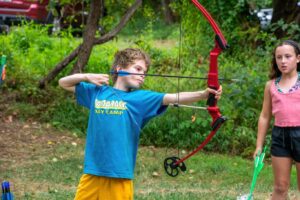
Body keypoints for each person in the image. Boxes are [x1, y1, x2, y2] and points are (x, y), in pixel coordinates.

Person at [58, 48, 222, 200]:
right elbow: (63, 82)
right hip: (93, 171)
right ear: (119, 68)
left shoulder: (141, 99)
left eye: (144, 72)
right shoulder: (97, 92)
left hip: (119, 174)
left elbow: (174, 97)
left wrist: (204, 94)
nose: (142, 74)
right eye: (137, 69)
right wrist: (87, 76)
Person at [254, 40, 300, 200]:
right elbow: (265, 116)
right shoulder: (271, 86)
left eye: (288, 56)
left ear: (298, 58)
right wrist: (259, 145)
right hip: (279, 137)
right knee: (280, 188)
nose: (283, 61)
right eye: (279, 57)